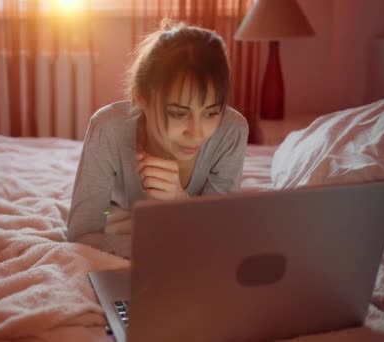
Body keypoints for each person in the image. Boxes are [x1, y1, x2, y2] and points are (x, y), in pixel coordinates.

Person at [67, 18, 249, 258]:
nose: (197, 133)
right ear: (140, 98)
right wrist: (158, 248)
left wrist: (178, 199)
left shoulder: (231, 132)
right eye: (178, 113)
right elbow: (82, 233)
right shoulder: (108, 129)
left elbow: (217, 233)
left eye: (211, 112)